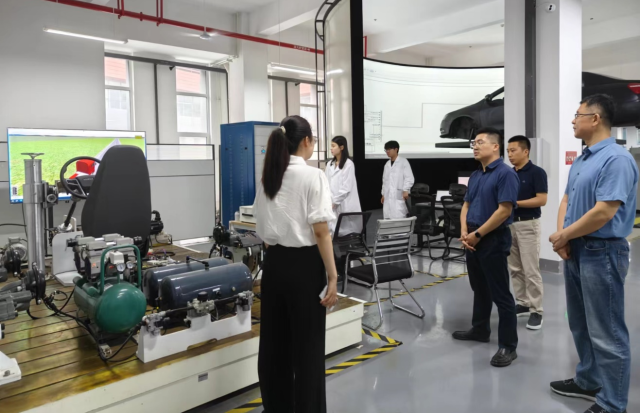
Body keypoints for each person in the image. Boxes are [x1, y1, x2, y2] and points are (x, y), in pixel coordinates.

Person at [549, 94, 637, 413]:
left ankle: (613, 404)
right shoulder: (583, 159)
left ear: (595, 119)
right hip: (576, 249)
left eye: (578, 115)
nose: (573, 120)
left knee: (607, 331)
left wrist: (563, 235)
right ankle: (588, 380)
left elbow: (604, 212)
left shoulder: (616, 159)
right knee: (581, 323)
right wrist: (563, 238)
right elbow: (566, 200)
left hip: (603, 252)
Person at [253, 115, 339, 413]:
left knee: (274, 347)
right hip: (305, 268)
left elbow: (263, 233)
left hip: (274, 266)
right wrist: (333, 276)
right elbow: (321, 231)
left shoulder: (268, 177)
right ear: (306, 141)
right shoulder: (313, 176)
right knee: (308, 349)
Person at [452, 127, 520, 368]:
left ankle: (508, 346)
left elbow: (504, 211)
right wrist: (464, 231)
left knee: (501, 294)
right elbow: (466, 205)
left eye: (480, 142)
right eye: (474, 143)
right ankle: (480, 329)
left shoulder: (505, 174)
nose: (475, 146)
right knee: (479, 288)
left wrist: (478, 234)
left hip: (492, 239)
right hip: (472, 238)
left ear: (495, 146)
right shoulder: (476, 175)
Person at [506, 135, 548, 331]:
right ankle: (522, 302)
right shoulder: (508, 173)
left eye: (513, 150)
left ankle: (536, 310)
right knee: (515, 268)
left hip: (528, 224)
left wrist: (515, 204)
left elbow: (541, 200)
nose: (510, 154)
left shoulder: (537, 173)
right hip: (509, 225)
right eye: (508, 151)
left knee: (531, 270)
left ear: (526, 151)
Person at [325, 136, 363, 237]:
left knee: (347, 233)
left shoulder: (348, 164)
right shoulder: (329, 164)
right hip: (332, 204)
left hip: (345, 205)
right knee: (333, 233)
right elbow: (326, 184)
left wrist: (335, 202)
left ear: (341, 147)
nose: (331, 148)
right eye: (331, 146)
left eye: (333, 146)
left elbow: (346, 188)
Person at [381, 140, 414, 219]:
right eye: (386, 150)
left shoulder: (403, 162)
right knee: (388, 219)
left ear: (396, 149)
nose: (387, 151)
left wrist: (406, 189)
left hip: (399, 196)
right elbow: (385, 181)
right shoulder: (387, 164)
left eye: (389, 149)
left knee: (399, 218)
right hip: (388, 197)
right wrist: (383, 194)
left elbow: (409, 177)